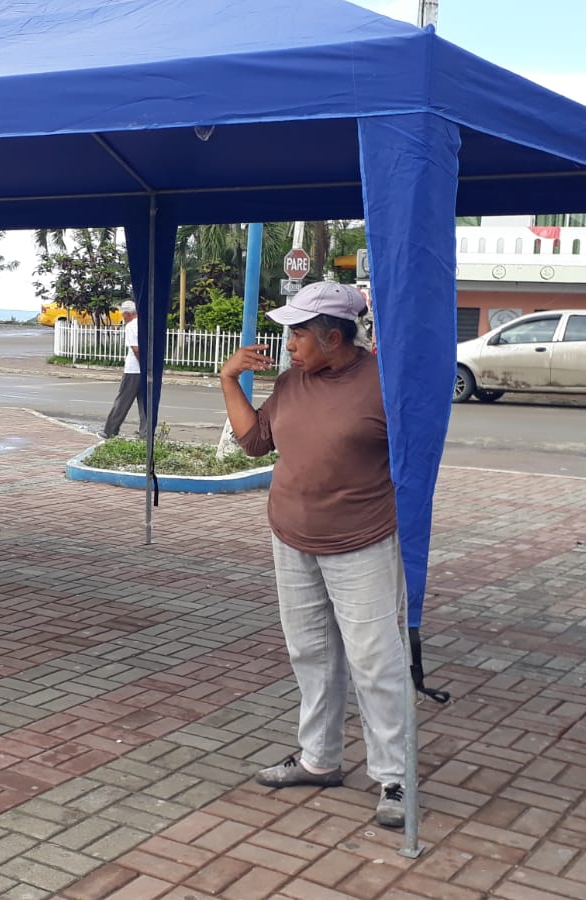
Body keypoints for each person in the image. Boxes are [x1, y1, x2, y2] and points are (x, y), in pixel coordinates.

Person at [217, 280, 410, 829]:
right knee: (311, 653)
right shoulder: (291, 382)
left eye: (298, 334)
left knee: (375, 661)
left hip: (362, 542)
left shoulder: (383, 384)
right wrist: (228, 378)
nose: (289, 344)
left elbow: (415, 461)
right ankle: (319, 759)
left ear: (333, 337)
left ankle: (394, 776)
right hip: (292, 537)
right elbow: (254, 442)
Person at [100, 299, 145, 439]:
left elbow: (136, 349)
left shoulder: (131, 326)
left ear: (127, 314)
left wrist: (142, 364)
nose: (123, 318)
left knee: (123, 401)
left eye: (123, 315)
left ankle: (110, 430)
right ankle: (146, 433)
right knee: (145, 403)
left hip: (133, 370)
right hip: (146, 371)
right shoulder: (145, 323)